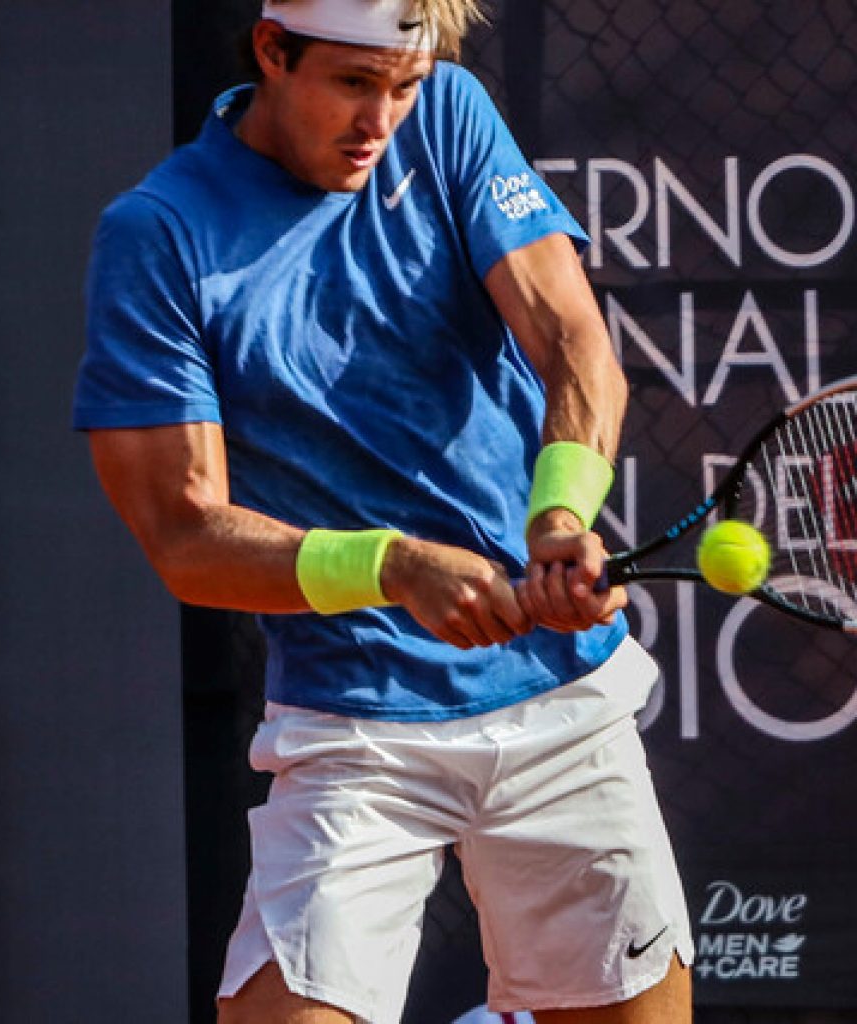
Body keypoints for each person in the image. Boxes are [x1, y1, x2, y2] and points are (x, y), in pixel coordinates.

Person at [73, 1, 695, 1021]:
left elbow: (572, 342)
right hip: (351, 723)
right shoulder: (160, 233)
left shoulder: (446, 115)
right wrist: (395, 566)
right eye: (354, 84)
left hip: (559, 707)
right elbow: (185, 537)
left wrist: (556, 518)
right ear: (274, 52)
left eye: (402, 86)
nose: (382, 119)